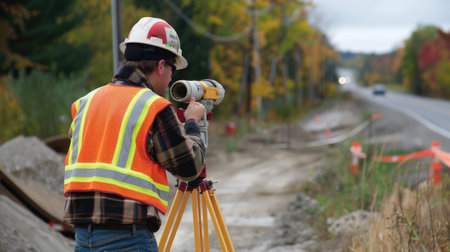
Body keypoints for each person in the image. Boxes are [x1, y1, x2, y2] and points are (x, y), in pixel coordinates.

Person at [63, 17, 206, 251]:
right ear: (161, 65)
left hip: (82, 236)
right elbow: (189, 167)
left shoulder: (86, 102)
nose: (171, 76)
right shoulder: (154, 106)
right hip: (127, 238)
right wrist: (192, 122)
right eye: (172, 67)